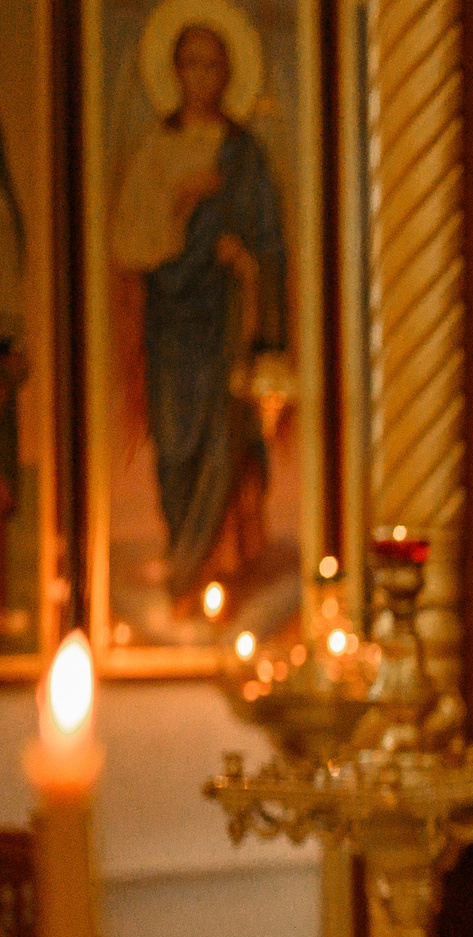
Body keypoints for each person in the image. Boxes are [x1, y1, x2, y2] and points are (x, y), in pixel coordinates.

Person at [108, 16, 286, 606]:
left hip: (226, 319)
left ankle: (220, 567)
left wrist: (245, 258)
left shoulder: (243, 153)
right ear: (175, 72)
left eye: (213, 65)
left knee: (223, 435)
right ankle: (181, 558)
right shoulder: (155, 148)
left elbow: (270, 239)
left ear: (228, 74)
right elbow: (129, 240)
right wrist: (181, 199)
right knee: (175, 441)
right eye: (192, 64)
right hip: (171, 319)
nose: (202, 77)